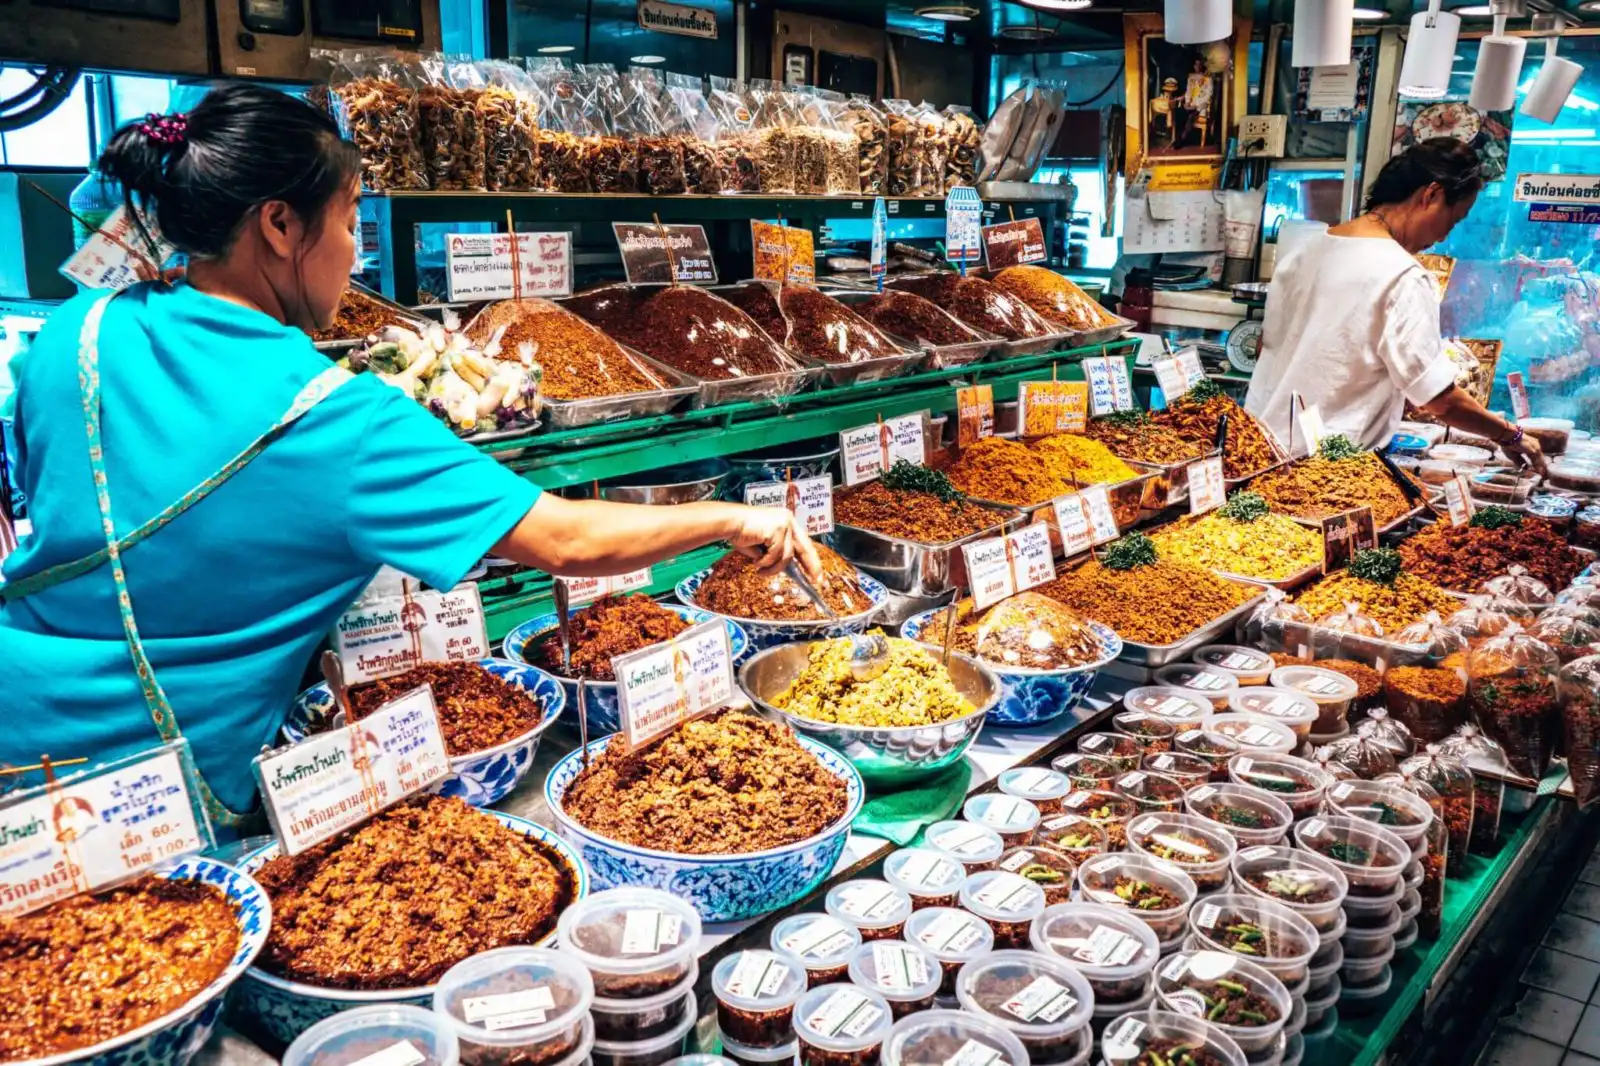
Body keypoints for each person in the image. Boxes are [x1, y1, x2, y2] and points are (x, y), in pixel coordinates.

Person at [0, 85, 825, 828]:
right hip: (165, 784)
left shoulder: (76, 332)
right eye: (353, 218)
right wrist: (729, 515)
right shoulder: (336, 416)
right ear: (281, 225)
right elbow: (564, 540)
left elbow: (66, 503)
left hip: (22, 729)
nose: (357, 252)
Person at [1245, 137, 1545, 470]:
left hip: (1257, 451)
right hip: (1324, 472)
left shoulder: (1304, 252)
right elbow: (1439, 400)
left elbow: (1266, 348)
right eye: (1454, 219)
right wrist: (1510, 435)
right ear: (1431, 195)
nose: (1445, 236)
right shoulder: (1402, 275)